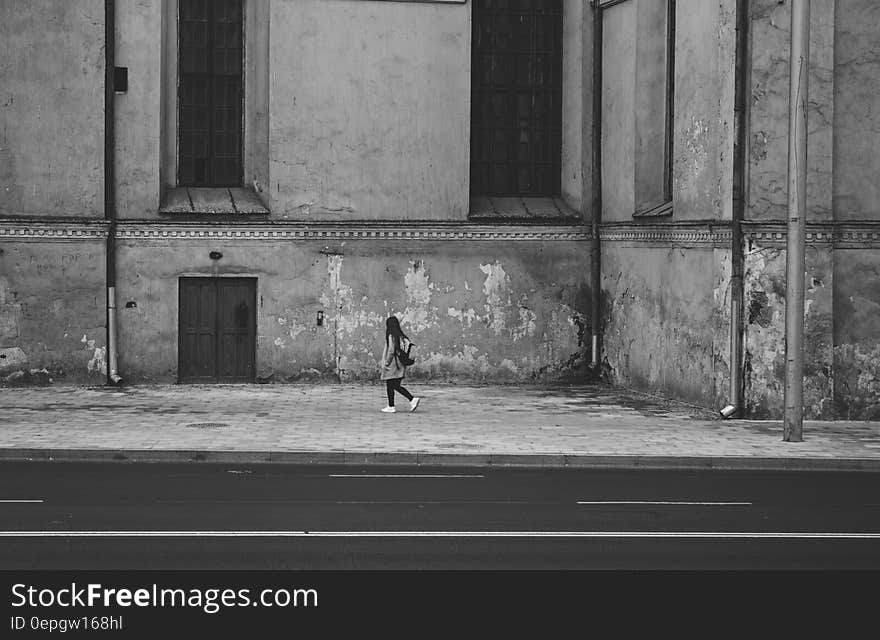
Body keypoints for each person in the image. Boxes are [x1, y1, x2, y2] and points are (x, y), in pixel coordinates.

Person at [380, 316, 420, 413]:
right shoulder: (401, 336)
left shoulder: (391, 335)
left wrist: (386, 362)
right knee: (393, 385)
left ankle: (409, 400)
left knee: (392, 384)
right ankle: (392, 405)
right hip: (400, 364)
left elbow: (391, 351)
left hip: (393, 365)